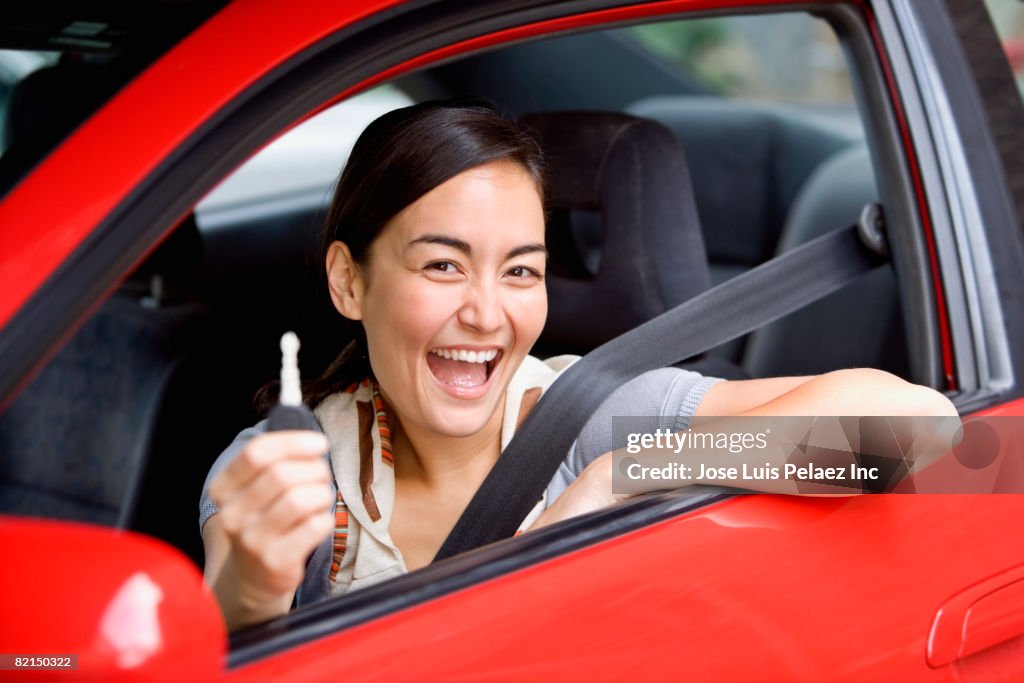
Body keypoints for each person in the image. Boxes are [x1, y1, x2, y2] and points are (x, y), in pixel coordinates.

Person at [199, 101, 958, 631]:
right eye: (443, 265)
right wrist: (253, 588)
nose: (488, 314)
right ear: (349, 280)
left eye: (521, 272)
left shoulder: (589, 416)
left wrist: (622, 473)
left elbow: (917, 430)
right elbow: (217, 637)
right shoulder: (289, 473)